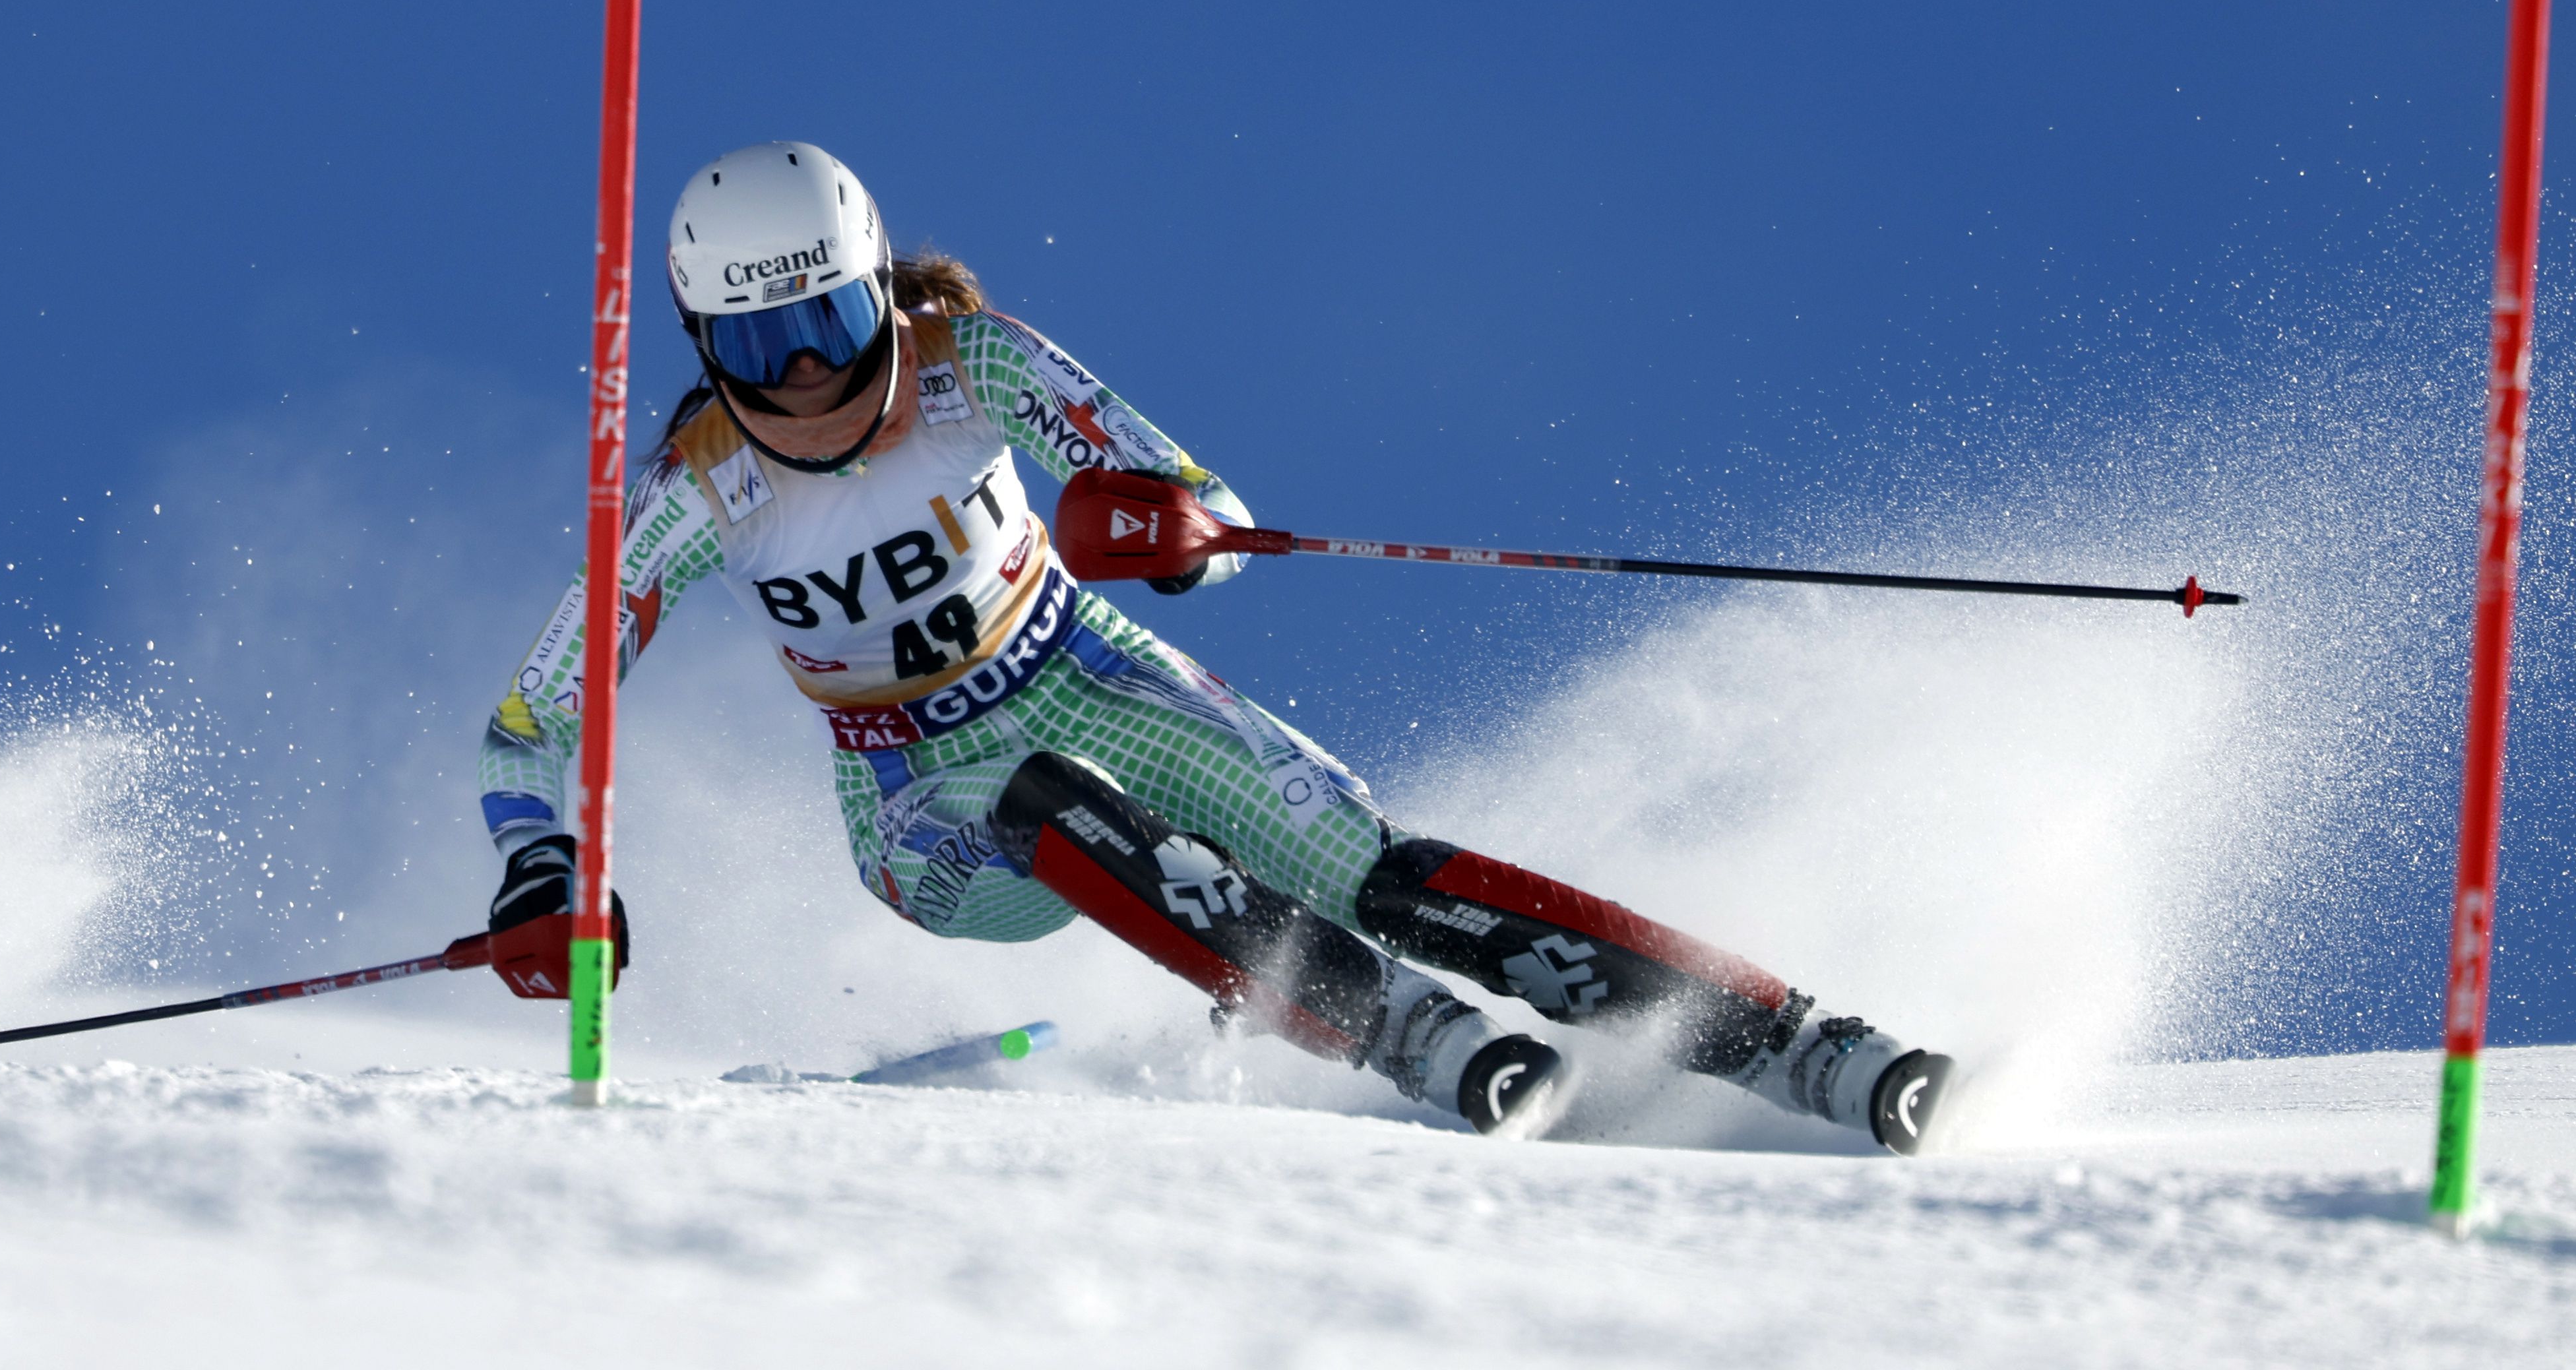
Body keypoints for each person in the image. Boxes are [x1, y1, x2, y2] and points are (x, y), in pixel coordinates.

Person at [478, 141, 1953, 1148]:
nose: (802, 379)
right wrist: (542, 866)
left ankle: (1792, 1040)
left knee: (1367, 860)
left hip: (1081, 660)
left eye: (833, 321)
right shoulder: (697, 492)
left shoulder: (970, 363)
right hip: (918, 793)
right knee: (1035, 795)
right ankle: (1411, 1038)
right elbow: (533, 722)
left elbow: (1203, 498)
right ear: (699, 345)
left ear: (882, 290)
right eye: (755, 348)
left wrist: (1170, 528)